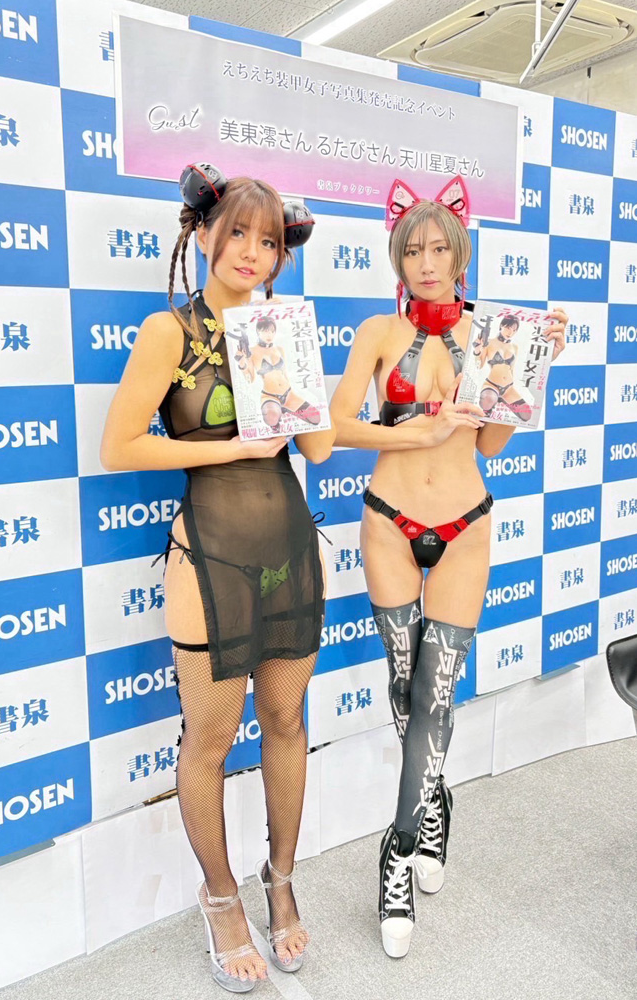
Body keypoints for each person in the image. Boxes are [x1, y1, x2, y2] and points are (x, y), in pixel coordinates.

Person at [101, 162, 334, 993]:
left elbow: (318, 449)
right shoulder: (170, 331)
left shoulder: (283, 330)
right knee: (210, 739)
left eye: (268, 242)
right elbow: (119, 447)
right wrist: (231, 447)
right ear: (203, 234)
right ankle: (222, 898)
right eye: (236, 232)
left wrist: (301, 369)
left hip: (289, 546)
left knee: (286, 722)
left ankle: (281, 879)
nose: (250, 252)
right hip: (208, 554)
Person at [330, 175, 567, 958]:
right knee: (406, 687)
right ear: (397, 259)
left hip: (465, 524)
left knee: (436, 692)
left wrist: (534, 368)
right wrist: (419, 432)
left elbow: (492, 442)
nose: (426, 263)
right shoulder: (377, 332)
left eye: (439, 249)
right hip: (387, 523)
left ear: (460, 255)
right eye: (412, 251)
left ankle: (397, 851)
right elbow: (333, 430)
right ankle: (434, 801)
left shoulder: (493, 333)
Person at [235, 315, 321, 431]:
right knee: (271, 418)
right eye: (266, 331)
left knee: (316, 417)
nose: (269, 335)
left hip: (289, 394)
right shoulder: (251, 352)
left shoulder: (279, 349)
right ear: (258, 331)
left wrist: (293, 394)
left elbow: (285, 374)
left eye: (272, 331)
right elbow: (250, 379)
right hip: (270, 396)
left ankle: (285, 410)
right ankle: (276, 422)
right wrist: (242, 363)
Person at [472, 313, 532, 421]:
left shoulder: (515, 347)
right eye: (508, 328)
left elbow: (512, 369)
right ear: (501, 326)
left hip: (508, 388)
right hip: (492, 385)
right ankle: (492, 403)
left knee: (527, 414)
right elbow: (479, 365)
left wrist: (513, 386)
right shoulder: (488, 342)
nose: (510, 332)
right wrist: (477, 350)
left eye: (514, 330)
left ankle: (501, 400)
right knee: (488, 400)